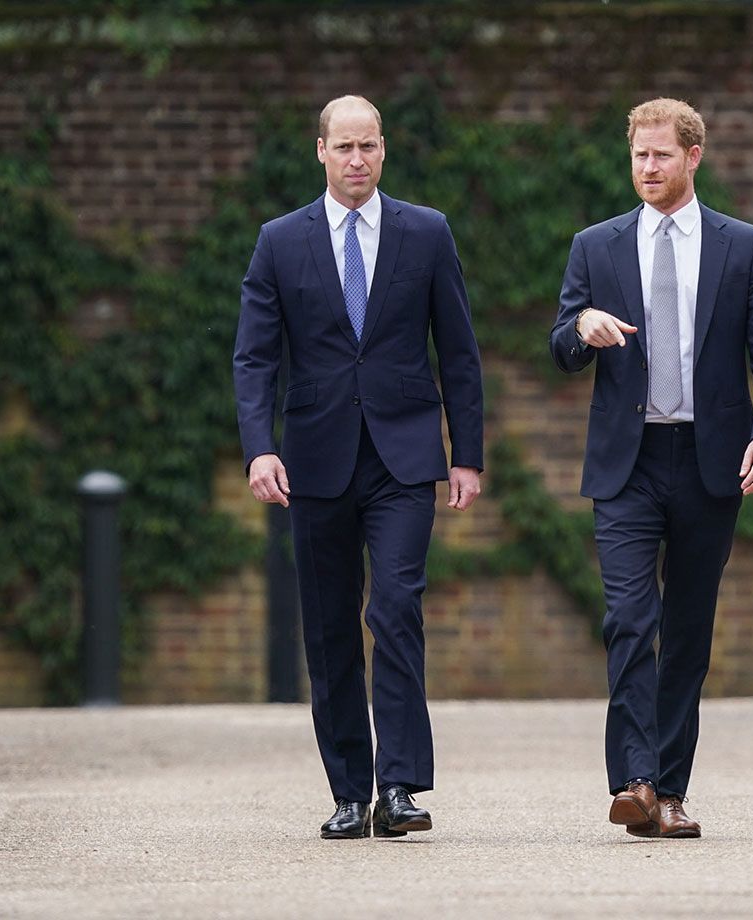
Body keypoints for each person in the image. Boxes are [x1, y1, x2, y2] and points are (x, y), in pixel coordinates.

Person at [233, 95, 483, 840]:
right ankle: (349, 790)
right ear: (320, 151)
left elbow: (460, 352)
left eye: (369, 146)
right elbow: (254, 357)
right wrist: (259, 446)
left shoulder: (426, 232)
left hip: (404, 458)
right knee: (331, 625)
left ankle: (400, 785)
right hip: (313, 459)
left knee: (397, 608)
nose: (357, 160)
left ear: (384, 149)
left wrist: (465, 453)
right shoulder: (280, 242)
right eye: (344, 147)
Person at [549, 98, 753, 839]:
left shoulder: (743, 247)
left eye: (660, 155)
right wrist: (581, 329)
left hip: (709, 459)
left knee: (687, 630)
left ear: (693, 157)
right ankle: (635, 783)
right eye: (637, 156)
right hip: (627, 463)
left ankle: (674, 791)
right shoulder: (596, 246)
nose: (646, 168)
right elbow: (559, 346)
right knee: (629, 618)